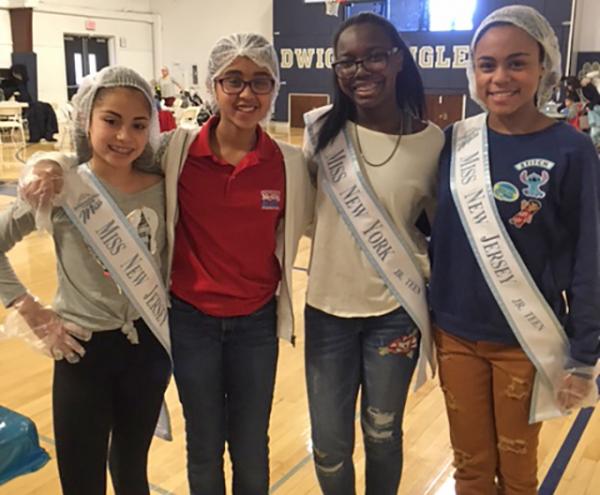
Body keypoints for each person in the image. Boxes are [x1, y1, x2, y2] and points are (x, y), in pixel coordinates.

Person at [20, 34, 314, 495]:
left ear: (275, 88)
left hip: (255, 324)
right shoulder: (175, 151)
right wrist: (46, 161)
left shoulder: (290, 164)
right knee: (202, 445)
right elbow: (101, 157)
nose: (246, 93)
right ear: (214, 84)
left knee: (252, 445)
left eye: (261, 81)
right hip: (189, 323)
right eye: (232, 80)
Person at [429, 6, 600, 494]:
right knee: (471, 470)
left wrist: (585, 354)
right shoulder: (453, 142)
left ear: (543, 65)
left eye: (517, 63)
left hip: (524, 341)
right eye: (487, 64)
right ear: (473, 72)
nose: (500, 77)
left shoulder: (573, 151)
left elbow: (590, 257)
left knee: (520, 475)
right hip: (456, 336)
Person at [0, 66, 171, 495]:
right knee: (81, 480)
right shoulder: (59, 186)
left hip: (148, 352)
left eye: (138, 125)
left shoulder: (165, 186)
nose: (124, 137)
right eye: (111, 120)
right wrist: (28, 308)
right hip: (82, 354)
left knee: (133, 472)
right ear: (86, 119)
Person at [303, 12, 443, 495]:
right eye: (348, 61)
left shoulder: (432, 143)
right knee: (328, 444)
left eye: (374, 57)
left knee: (383, 436)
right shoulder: (319, 132)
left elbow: (444, 236)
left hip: (394, 314)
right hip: (326, 313)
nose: (361, 70)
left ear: (399, 60)